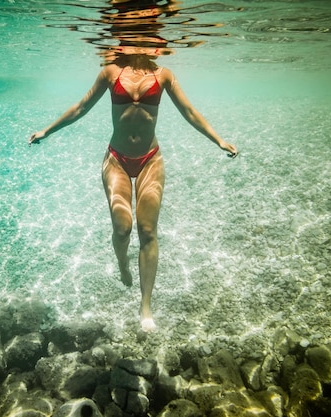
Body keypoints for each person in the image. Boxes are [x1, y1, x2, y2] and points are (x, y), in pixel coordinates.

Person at [28, 51, 238, 332]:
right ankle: (123, 264)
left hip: (151, 158)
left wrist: (219, 140)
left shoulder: (163, 75)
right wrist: (47, 131)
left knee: (148, 231)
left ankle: (146, 304)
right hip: (117, 159)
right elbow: (81, 108)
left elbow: (189, 111)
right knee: (122, 228)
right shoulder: (110, 72)